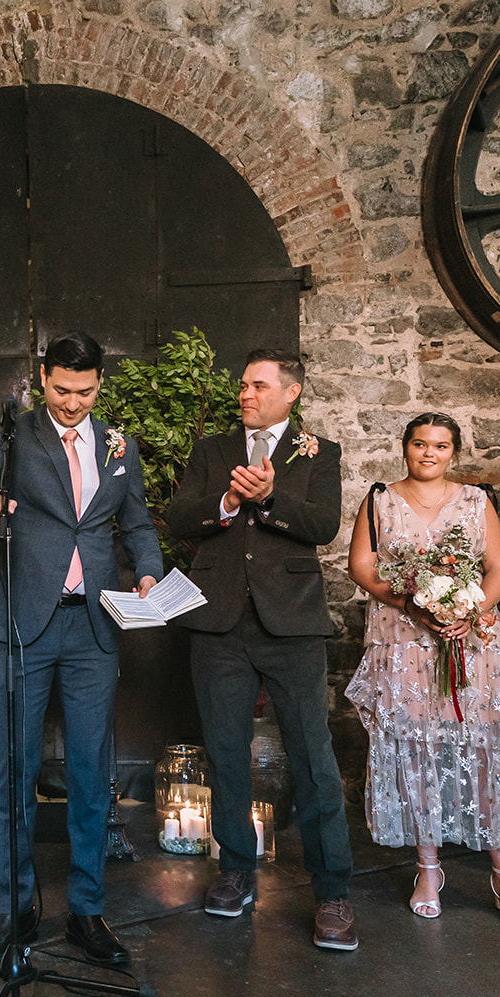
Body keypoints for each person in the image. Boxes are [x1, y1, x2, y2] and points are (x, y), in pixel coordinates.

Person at [0, 331, 163, 967]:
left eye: (87, 391)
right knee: (14, 771)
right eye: (62, 390)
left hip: (94, 627)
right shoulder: (17, 433)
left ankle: (87, 913)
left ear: (101, 384)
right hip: (23, 622)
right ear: (43, 379)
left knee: (92, 774)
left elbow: (139, 524)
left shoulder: (118, 445)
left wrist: (147, 572)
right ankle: (13, 910)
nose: (73, 403)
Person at [169, 350, 360, 950]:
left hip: (292, 626)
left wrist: (272, 497)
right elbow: (178, 516)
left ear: (291, 392)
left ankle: (332, 893)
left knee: (311, 755)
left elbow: (323, 525)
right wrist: (226, 505)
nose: (245, 394)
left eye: (258, 385)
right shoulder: (211, 451)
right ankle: (234, 874)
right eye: (243, 384)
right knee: (225, 752)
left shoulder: (318, 453)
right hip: (217, 623)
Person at [345, 413, 500, 927]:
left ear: (453, 452)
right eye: (419, 443)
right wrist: (417, 607)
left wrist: (469, 612)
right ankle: (428, 869)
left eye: (440, 446)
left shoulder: (476, 500)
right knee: (419, 749)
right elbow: (363, 566)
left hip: (472, 641)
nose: (428, 454)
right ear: (405, 447)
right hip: (404, 640)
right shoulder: (379, 498)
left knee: (484, 750)